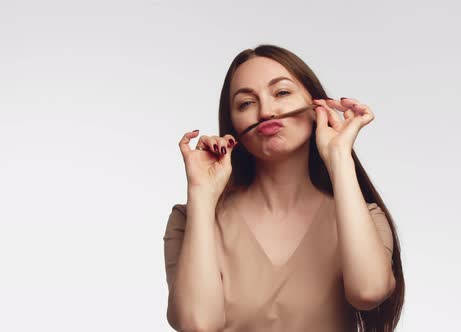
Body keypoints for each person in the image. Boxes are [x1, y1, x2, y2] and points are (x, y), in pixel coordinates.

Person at [163, 44, 405, 332]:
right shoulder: (189, 220)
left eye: (281, 93)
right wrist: (202, 193)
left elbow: (369, 291)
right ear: (233, 124)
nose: (266, 112)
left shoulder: (365, 217)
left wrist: (338, 156)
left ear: (319, 107)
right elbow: (198, 324)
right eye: (246, 104)